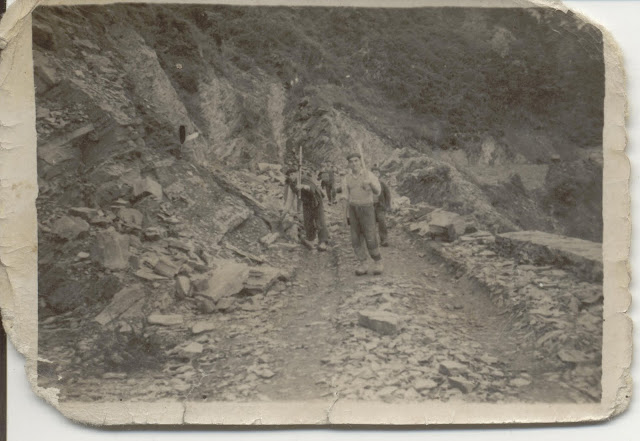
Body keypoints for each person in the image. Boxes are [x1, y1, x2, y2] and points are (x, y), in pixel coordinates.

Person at [340, 153, 383, 275]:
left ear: (360, 162)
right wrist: (344, 216)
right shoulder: (346, 178)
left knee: (370, 236)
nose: (354, 164)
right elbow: (345, 197)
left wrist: (370, 184)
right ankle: (363, 263)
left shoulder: (368, 175)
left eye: (356, 161)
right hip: (353, 209)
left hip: (367, 208)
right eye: (351, 161)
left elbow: (377, 192)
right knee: (355, 238)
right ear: (348, 164)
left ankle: (378, 262)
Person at [282, 168, 329, 251]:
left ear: (297, 173)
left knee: (319, 220)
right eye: (289, 175)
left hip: (315, 200)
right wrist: (284, 213)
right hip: (306, 202)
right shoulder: (291, 185)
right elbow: (289, 200)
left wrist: (303, 186)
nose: (291, 176)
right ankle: (310, 239)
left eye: (292, 174)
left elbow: (312, 188)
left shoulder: (304, 178)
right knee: (308, 221)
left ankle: (323, 241)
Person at [371, 166, 391, 247]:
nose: (375, 174)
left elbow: (388, 195)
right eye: (373, 173)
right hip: (370, 206)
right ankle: (371, 240)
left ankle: (384, 239)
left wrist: (388, 205)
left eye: (377, 173)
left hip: (380, 206)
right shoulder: (368, 184)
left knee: (382, 221)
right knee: (370, 223)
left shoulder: (382, 184)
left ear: (379, 174)